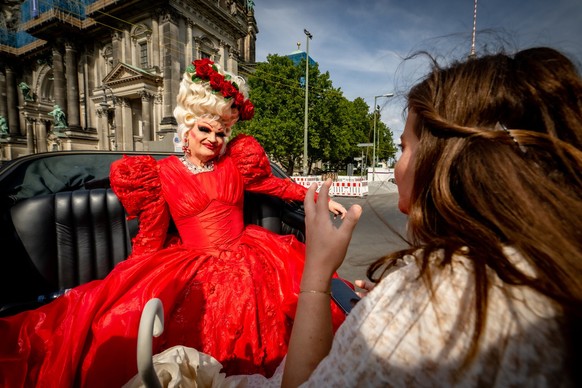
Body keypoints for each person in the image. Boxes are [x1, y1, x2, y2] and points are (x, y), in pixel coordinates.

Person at [0, 58, 348, 387]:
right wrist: (130, 282)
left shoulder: (237, 164)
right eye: (205, 129)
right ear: (187, 128)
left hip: (251, 254)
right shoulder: (159, 175)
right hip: (191, 263)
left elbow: (274, 184)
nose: (213, 139)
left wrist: (320, 198)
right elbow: (150, 237)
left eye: (221, 133)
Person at [279, 46, 582, 386]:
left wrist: (318, 272)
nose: (396, 169)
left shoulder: (427, 302)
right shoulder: (548, 265)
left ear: (442, 160)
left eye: (403, 147)